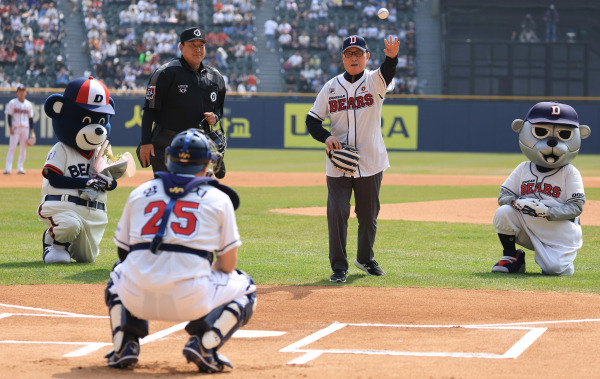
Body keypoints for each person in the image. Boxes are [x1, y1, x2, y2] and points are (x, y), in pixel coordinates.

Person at [105, 129, 256, 372]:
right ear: (208, 163)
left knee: (118, 272)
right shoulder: (218, 198)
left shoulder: (139, 192)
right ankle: (204, 345)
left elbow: (124, 254)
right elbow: (227, 265)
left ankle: (125, 343)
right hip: (191, 301)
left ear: (168, 160)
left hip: (137, 299)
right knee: (246, 286)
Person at [305, 35, 399, 283]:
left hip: (371, 160)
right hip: (338, 161)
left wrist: (391, 58)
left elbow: (388, 72)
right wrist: (326, 137)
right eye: (349, 54)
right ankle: (339, 267)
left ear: (367, 56)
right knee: (337, 212)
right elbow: (312, 120)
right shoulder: (331, 87)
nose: (354, 58)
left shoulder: (374, 81)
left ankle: (365, 259)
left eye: (359, 53)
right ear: (342, 58)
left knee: (368, 216)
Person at [491, 102, 591, 276]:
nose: (552, 141)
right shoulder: (523, 168)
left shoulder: (570, 172)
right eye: (540, 131)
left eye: (565, 134)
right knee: (504, 212)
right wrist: (516, 202)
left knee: (554, 270)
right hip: (528, 223)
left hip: (560, 231)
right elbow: (504, 195)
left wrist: (548, 211)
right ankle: (511, 257)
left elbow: (576, 207)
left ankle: (557, 259)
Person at [138, 27, 227, 178]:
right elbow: (150, 110)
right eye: (192, 45)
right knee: (166, 188)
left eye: (201, 45)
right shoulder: (166, 73)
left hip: (198, 143)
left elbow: (218, 108)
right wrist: (146, 142)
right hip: (167, 141)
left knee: (195, 192)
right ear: (181, 47)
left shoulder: (215, 77)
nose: (197, 49)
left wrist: (215, 117)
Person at [4, 84, 34, 175]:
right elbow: (9, 116)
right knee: (12, 148)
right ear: (17, 92)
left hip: (25, 129)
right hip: (15, 128)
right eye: (20, 91)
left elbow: (31, 118)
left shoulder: (28, 104)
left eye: (23, 91)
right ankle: (8, 169)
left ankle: (20, 168)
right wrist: (10, 128)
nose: (22, 93)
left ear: (25, 93)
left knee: (23, 149)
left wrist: (32, 131)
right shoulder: (12, 103)